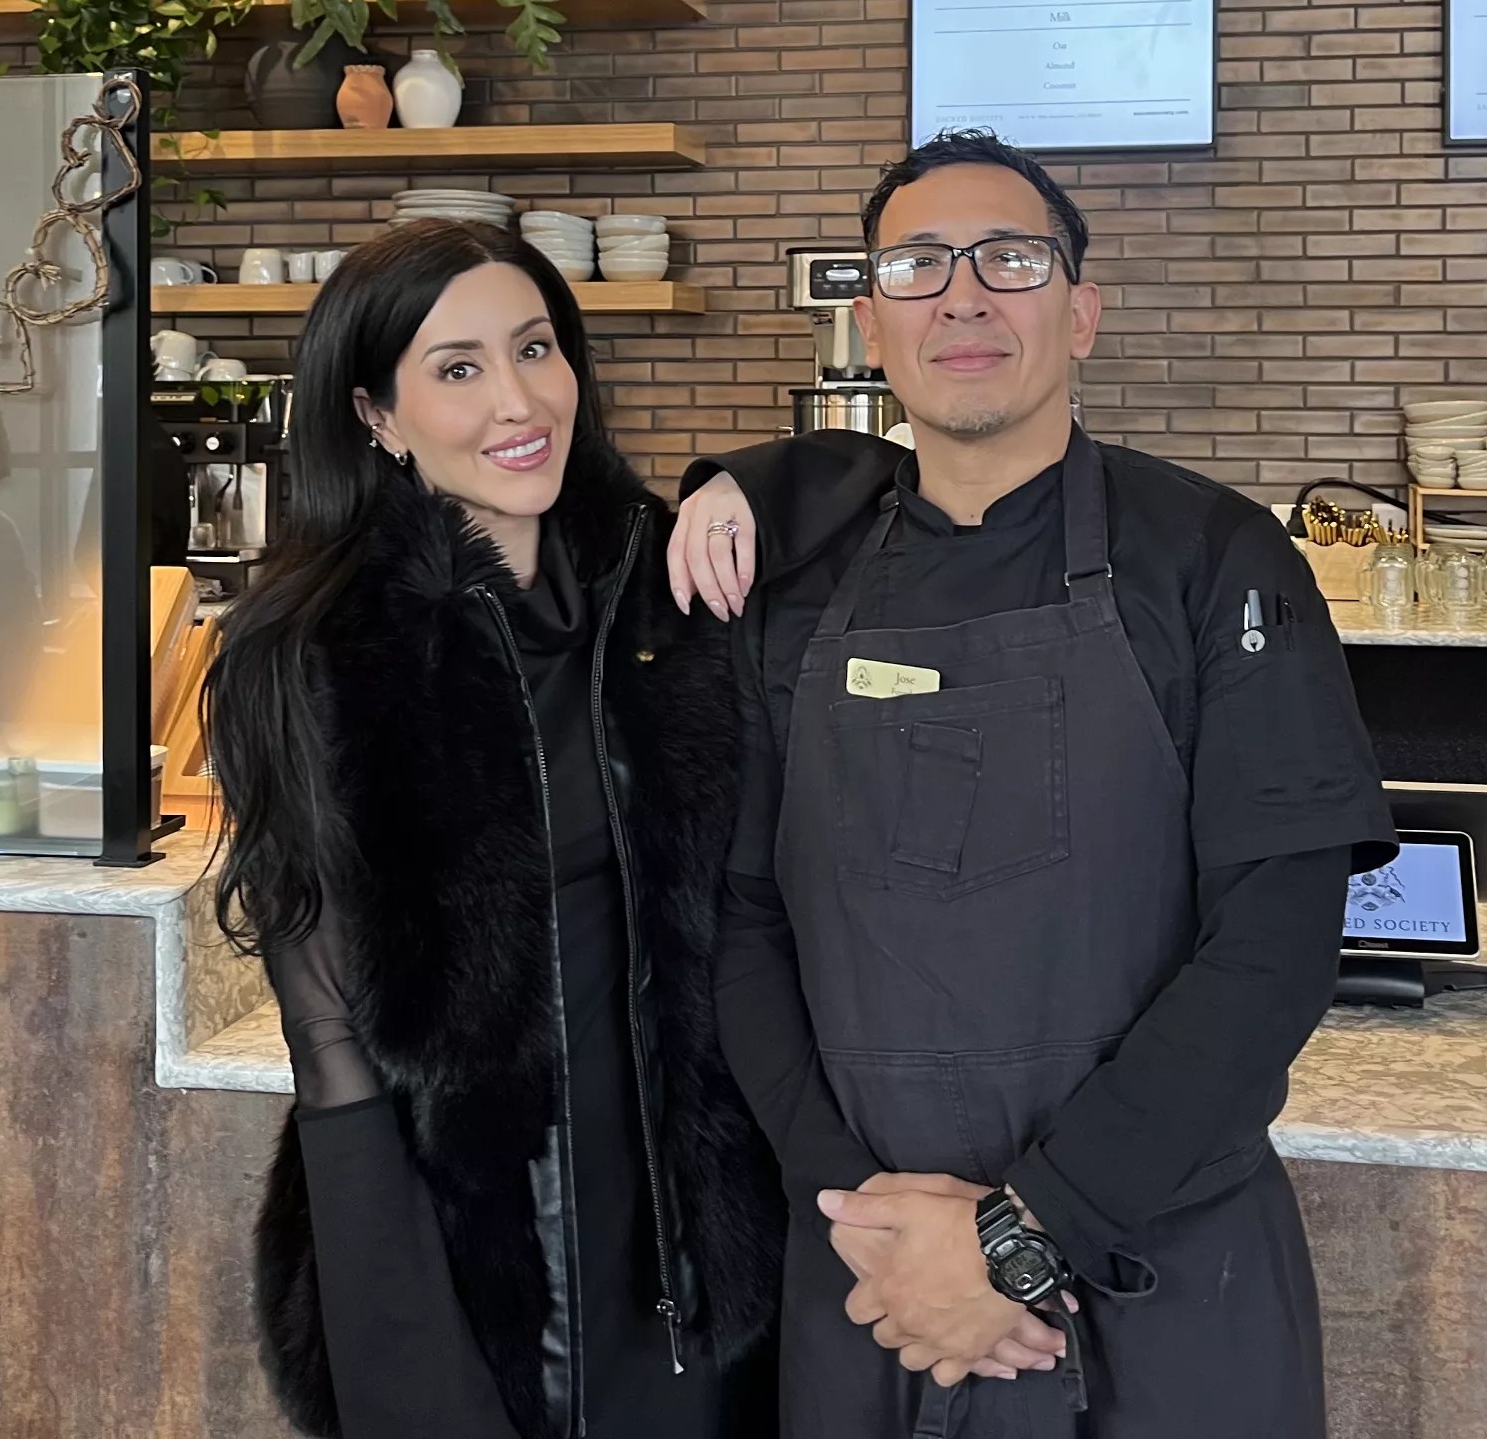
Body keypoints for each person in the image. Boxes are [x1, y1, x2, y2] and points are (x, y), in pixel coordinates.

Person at [669, 129, 1397, 1436]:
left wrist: (1026, 1230)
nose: (963, 294)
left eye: (1010, 259)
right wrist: (866, 1219)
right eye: (916, 265)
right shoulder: (789, 591)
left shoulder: (1216, 559)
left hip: (1158, 1268)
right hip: (874, 1286)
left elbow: (1277, 944)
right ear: (871, 326)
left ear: (1082, 311)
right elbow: (741, 926)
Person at [206, 219, 781, 1439]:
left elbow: (883, 488)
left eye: (536, 349)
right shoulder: (318, 651)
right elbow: (337, 1051)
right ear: (376, 415)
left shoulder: (664, 600)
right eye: (458, 368)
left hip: (703, 1253)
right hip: (480, 1271)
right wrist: (411, 1371)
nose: (519, 400)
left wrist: (750, 479)